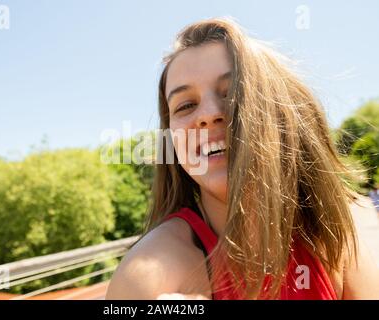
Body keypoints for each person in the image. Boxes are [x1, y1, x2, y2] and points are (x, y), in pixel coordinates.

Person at [105, 18, 379, 300]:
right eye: (186, 105)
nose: (208, 114)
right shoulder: (149, 276)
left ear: (281, 114)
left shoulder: (339, 236)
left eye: (235, 92)